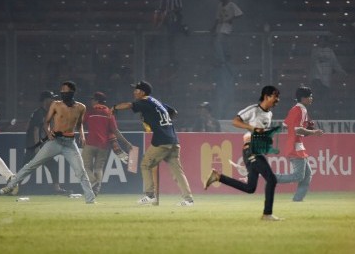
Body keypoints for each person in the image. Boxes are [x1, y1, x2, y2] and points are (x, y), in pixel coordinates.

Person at [0, 81, 96, 204]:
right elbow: (46, 121)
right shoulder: (56, 105)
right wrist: (49, 132)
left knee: (80, 171)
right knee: (32, 164)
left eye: (65, 91)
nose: (62, 93)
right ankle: (10, 185)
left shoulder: (81, 107)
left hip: (70, 143)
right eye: (61, 91)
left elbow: (80, 124)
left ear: (72, 92)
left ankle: (90, 199)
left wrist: (82, 135)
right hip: (55, 141)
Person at [204, 85, 283, 221]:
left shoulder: (269, 114)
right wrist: (252, 128)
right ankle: (267, 214)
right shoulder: (253, 110)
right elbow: (235, 121)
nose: (278, 99)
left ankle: (218, 177)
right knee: (272, 179)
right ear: (266, 96)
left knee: (250, 188)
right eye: (275, 96)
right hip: (250, 149)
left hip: (256, 150)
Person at [111, 81, 194, 206]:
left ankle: (150, 195)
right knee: (178, 172)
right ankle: (188, 199)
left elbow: (128, 105)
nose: (134, 91)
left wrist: (114, 107)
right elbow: (174, 112)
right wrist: (162, 121)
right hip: (173, 140)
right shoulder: (156, 102)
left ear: (143, 92)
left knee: (145, 165)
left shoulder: (144, 102)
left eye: (137, 90)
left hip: (161, 140)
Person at [275, 87, 323, 201]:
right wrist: (313, 132)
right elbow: (297, 129)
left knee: (307, 175)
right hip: (296, 147)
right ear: (303, 98)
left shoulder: (294, 109)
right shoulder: (301, 110)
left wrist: (304, 129)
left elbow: (286, 125)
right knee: (299, 176)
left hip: (295, 145)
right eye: (310, 96)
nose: (311, 98)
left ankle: (297, 199)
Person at [82, 91, 132, 196]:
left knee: (85, 166)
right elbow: (115, 131)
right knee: (98, 168)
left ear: (96, 100)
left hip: (90, 143)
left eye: (92, 99)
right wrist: (127, 143)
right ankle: (96, 191)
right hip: (103, 145)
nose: (91, 101)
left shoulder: (90, 111)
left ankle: (93, 181)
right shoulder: (109, 113)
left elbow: (80, 123)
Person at [23, 90, 71, 195]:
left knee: (53, 165)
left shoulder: (47, 112)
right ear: (45, 100)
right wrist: (37, 147)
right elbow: (35, 130)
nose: (53, 100)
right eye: (51, 98)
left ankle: (56, 188)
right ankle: (13, 187)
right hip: (34, 146)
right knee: (25, 167)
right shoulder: (39, 113)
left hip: (42, 147)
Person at [211, 0, 243, 119]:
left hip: (227, 29)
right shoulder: (220, 6)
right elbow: (217, 18)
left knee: (220, 42)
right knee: (217, 42)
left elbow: (240, 14)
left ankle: (223, 60)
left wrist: (231, 19)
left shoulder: (231, 5)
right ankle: (222, 59)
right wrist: (213, 28)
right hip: (220, 28)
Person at [310, 36, 347, 118]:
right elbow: (311, 64)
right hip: (317, 78)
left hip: (326, 80)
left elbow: (335, 64)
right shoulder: (315, 51)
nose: (321, 42)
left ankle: (323, 114)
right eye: (320, 41)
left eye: (323, 41)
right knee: (317, 96)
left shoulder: (330, 52)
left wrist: (342, 72)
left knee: (324, 98)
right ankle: (316, 113)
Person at [153, 0, 189, 65]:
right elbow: (161, 8)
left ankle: (183, 28)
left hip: (175, 17)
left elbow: (180, 8)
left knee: (172, 31)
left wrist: (171, 11)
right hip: (166, 17)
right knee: (167, 29)